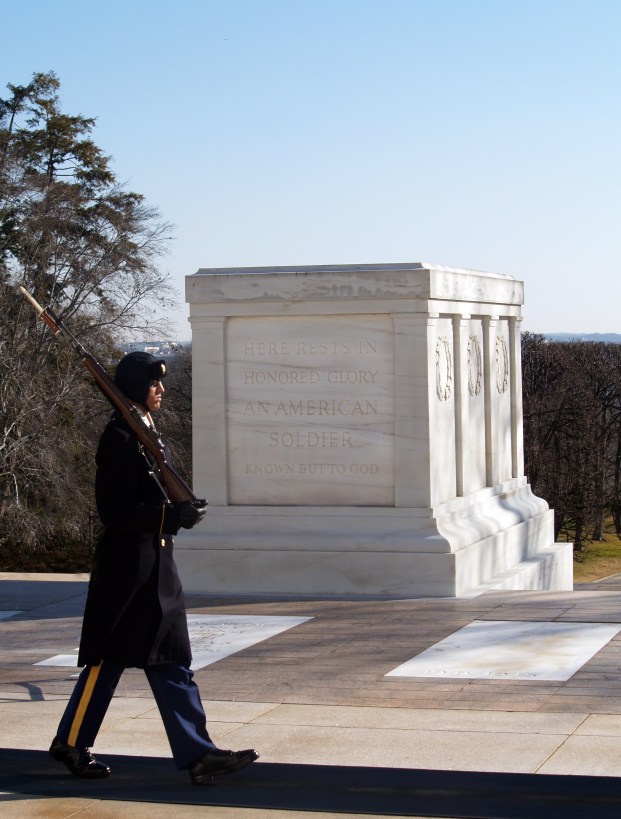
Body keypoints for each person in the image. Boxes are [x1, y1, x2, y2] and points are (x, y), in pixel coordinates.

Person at [49, 351, 258, 785]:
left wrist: (180, 509)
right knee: (106, 661)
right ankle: (70, 743)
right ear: (132, 389)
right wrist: (168, 516)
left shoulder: (142, 432)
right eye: (152, 383)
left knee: (171, 660)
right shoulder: (120, 439)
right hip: (127, 571)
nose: (161, 389)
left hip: (155, 566)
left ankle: (198, 754)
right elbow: (115, 511)